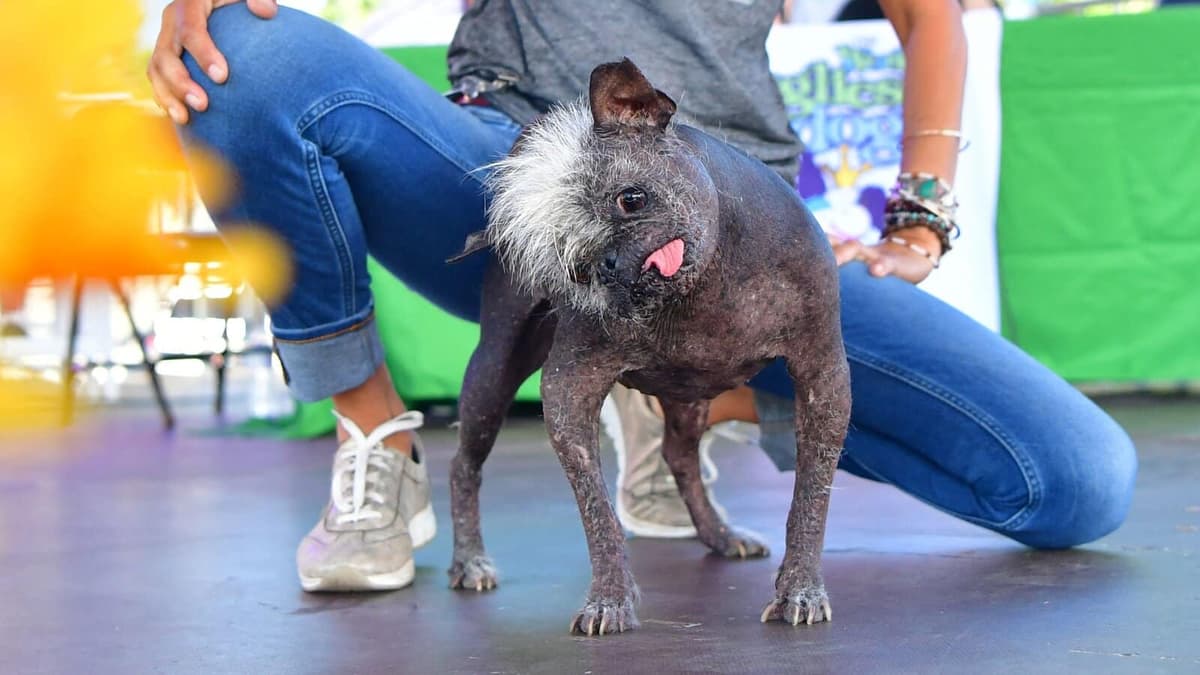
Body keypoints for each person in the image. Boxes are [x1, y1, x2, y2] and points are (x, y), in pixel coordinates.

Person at [148, 0, 1136, 593]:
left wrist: (919, 217)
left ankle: (687, 389)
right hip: (522, 183)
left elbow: (931, 15)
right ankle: (375, 436)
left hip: (738, 225)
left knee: (1076, 478)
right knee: (238, 48)